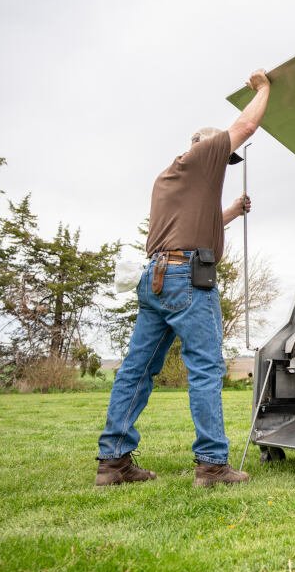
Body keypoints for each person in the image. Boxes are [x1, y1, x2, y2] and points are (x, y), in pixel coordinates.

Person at [95, 69, 271, 487]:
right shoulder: (203, 156)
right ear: (208, 148)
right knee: (206, 369)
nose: (226, 165)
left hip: (156, 278)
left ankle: (113, 462)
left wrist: (230, 212)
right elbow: (246, 125)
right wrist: (264, 88)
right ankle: (212, 465)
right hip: (187, 281)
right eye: (225, 157)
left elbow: (189, 229)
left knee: (136, 370)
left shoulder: (169, 179)